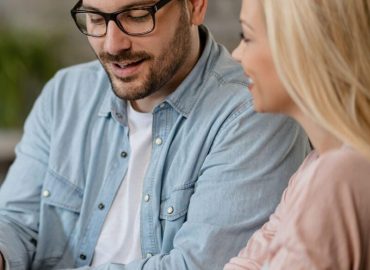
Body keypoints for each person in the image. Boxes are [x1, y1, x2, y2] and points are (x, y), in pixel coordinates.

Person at [0, 0, 309, 269]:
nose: (112, 45)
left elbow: (199, 266)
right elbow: (14, 219)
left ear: (195, 6)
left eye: (136, 16)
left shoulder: (254, 109)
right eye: (95, 18)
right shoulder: (65, 95)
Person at [224, 0, 370, 269]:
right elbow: (249, 261)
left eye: (247, 37)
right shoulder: (316, 166)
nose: (236, 54)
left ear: (299, 48)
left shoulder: (339, 176)